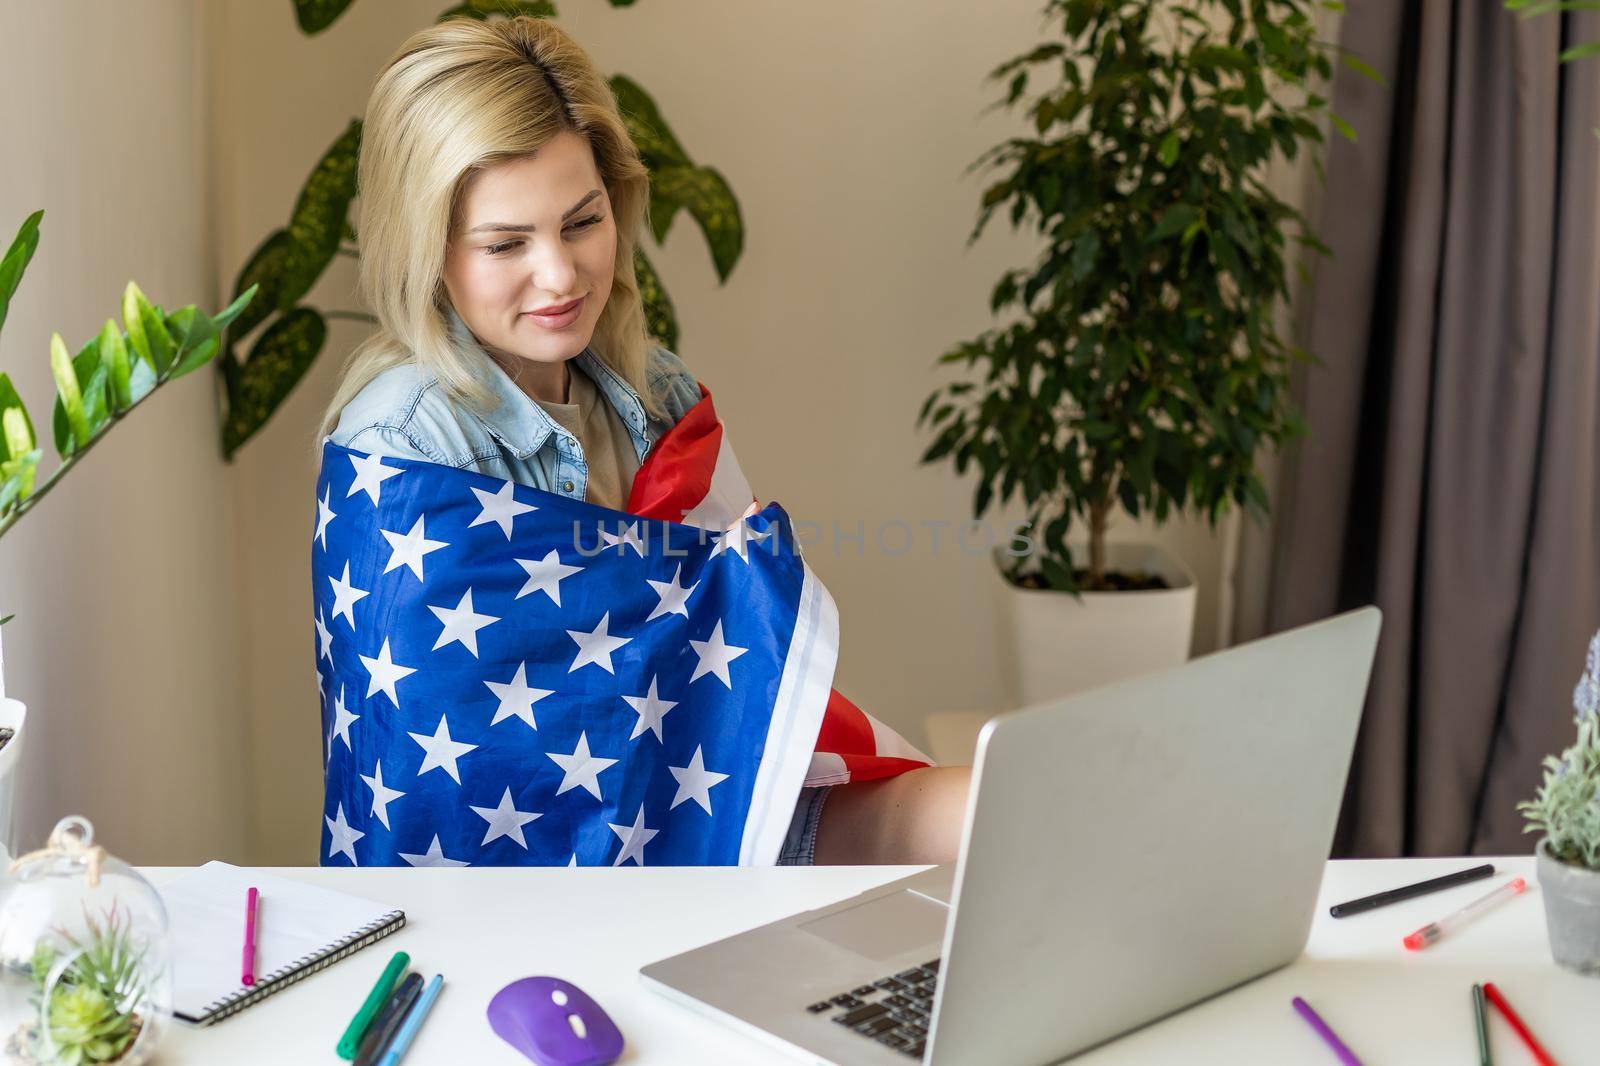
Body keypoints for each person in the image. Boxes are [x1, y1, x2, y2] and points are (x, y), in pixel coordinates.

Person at [314, 15, 970, 866]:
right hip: (537, 881)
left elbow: (715, 663)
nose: (560, 275)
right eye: (506, 243)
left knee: (998, 810)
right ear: (427, 252)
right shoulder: (398, 450)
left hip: (702, 802)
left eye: (582, 222)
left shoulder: (650, 388)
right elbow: (439, 789)